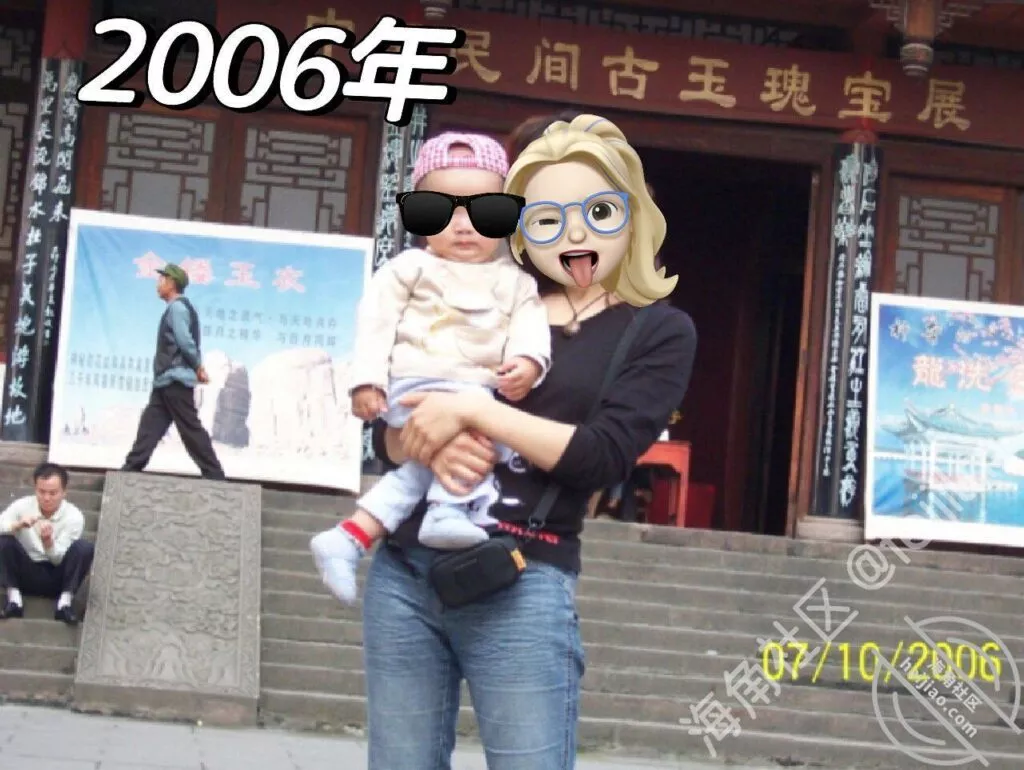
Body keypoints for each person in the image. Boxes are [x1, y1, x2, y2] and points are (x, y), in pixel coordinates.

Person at [357, 114, 697, 769]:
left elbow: (602, 457)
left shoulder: (657, 331)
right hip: (404, 570)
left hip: (522, 577)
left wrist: (473, 412)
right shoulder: (488, 285)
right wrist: (422, 441)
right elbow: (385, 435)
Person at [309, 132, 550, 603]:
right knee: (481, 434)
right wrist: (367, 380)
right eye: (441, 210)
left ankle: (351, 535)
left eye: (485, 211)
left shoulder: (516, 282)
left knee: (435, 461)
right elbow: (375, 322)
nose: (463, 226)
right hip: (417, 385)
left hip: (479, 393)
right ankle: (448, 510)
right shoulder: (408, 268)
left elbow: (530, 325)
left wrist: (527, 362)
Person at [122, 263, 225, 480]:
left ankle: (215, 474)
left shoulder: (178, 308)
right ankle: (129, 470)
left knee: (190, 428)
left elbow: (184, 340)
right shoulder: (174, 308)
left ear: (172, 283)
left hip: (176, 379)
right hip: (165, 381)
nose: (157, 284)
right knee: (150, 426)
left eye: (161, 280)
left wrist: (198, 366)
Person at [0, 463, 93, 625]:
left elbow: (58, 558)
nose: (46, 498)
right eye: (41, 492)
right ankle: (14, 600)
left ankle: (64, 604)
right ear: (35, 489)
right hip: (25, 571)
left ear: (64, 492)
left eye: (53, 493)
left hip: (56, 575)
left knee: (84, 548)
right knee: (4, 541)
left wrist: (48, 542)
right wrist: (17, 525)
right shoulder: (22, 506)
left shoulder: (74, 516)